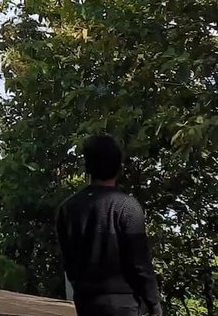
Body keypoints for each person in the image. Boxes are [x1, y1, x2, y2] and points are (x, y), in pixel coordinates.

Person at [56, 135, 162, 316]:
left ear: (87, 166)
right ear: (118, 166)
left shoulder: (68, 208)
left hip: (86, 302)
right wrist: (154, 304)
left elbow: (69, 263)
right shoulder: (127, 207)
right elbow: (140, 264)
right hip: (124, 304)